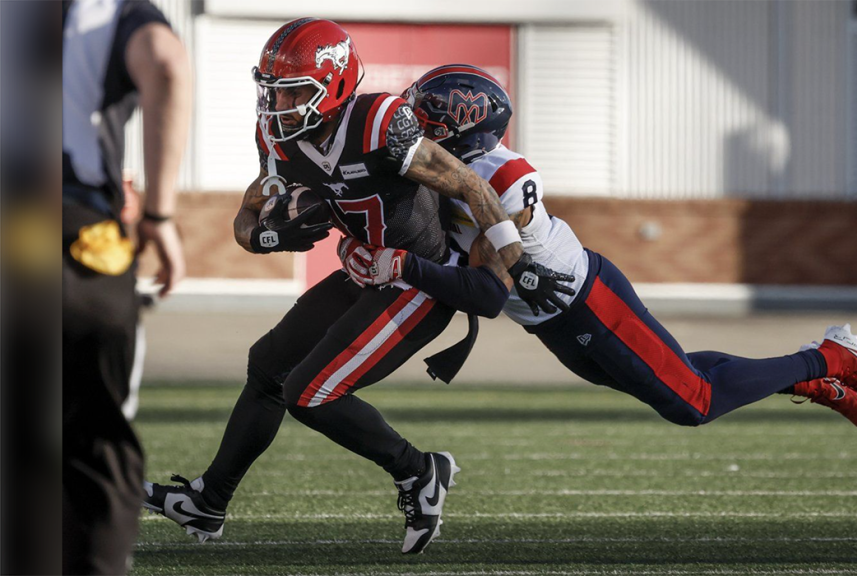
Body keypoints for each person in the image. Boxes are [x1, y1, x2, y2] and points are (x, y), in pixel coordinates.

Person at [142, 19, 573, 555]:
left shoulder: (378, 122)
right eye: (273, 90)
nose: (280, 104)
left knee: (310, 392)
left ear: (336, 84)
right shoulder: (276, 135)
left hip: (418, 281)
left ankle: (420, 471)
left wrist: (518, 263)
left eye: (295, 90)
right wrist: (269, 233)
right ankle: (209, 502)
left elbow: (469, 184)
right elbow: (246, 219)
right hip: (365, 270)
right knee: (268, 366)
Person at [350, 64, 857, 434]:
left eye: (426, 118)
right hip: (550, 320)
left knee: (693, 403)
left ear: (463, 126)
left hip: (584, 298)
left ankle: (831, 356)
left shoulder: (501, 176)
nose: (412, 129)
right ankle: (809, 378)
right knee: (673, 374)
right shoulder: (443, 175)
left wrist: (402, 265)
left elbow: (485, 285)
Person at [62, 0, 191, 574]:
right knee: (98, 451)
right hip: (75, 240)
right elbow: (166, 64)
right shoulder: (105, 10)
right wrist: (159, 217)